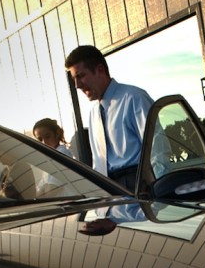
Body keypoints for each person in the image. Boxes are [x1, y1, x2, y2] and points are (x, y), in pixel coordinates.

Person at [64, 45, 154, 189]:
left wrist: (162, 189)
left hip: (139, 185)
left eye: (80, 76)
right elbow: (98, 162)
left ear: (100, 70)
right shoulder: (94, 113)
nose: (77, 85)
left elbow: (157, 147)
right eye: (74, 79)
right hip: (109, 190)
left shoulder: (133, 98)